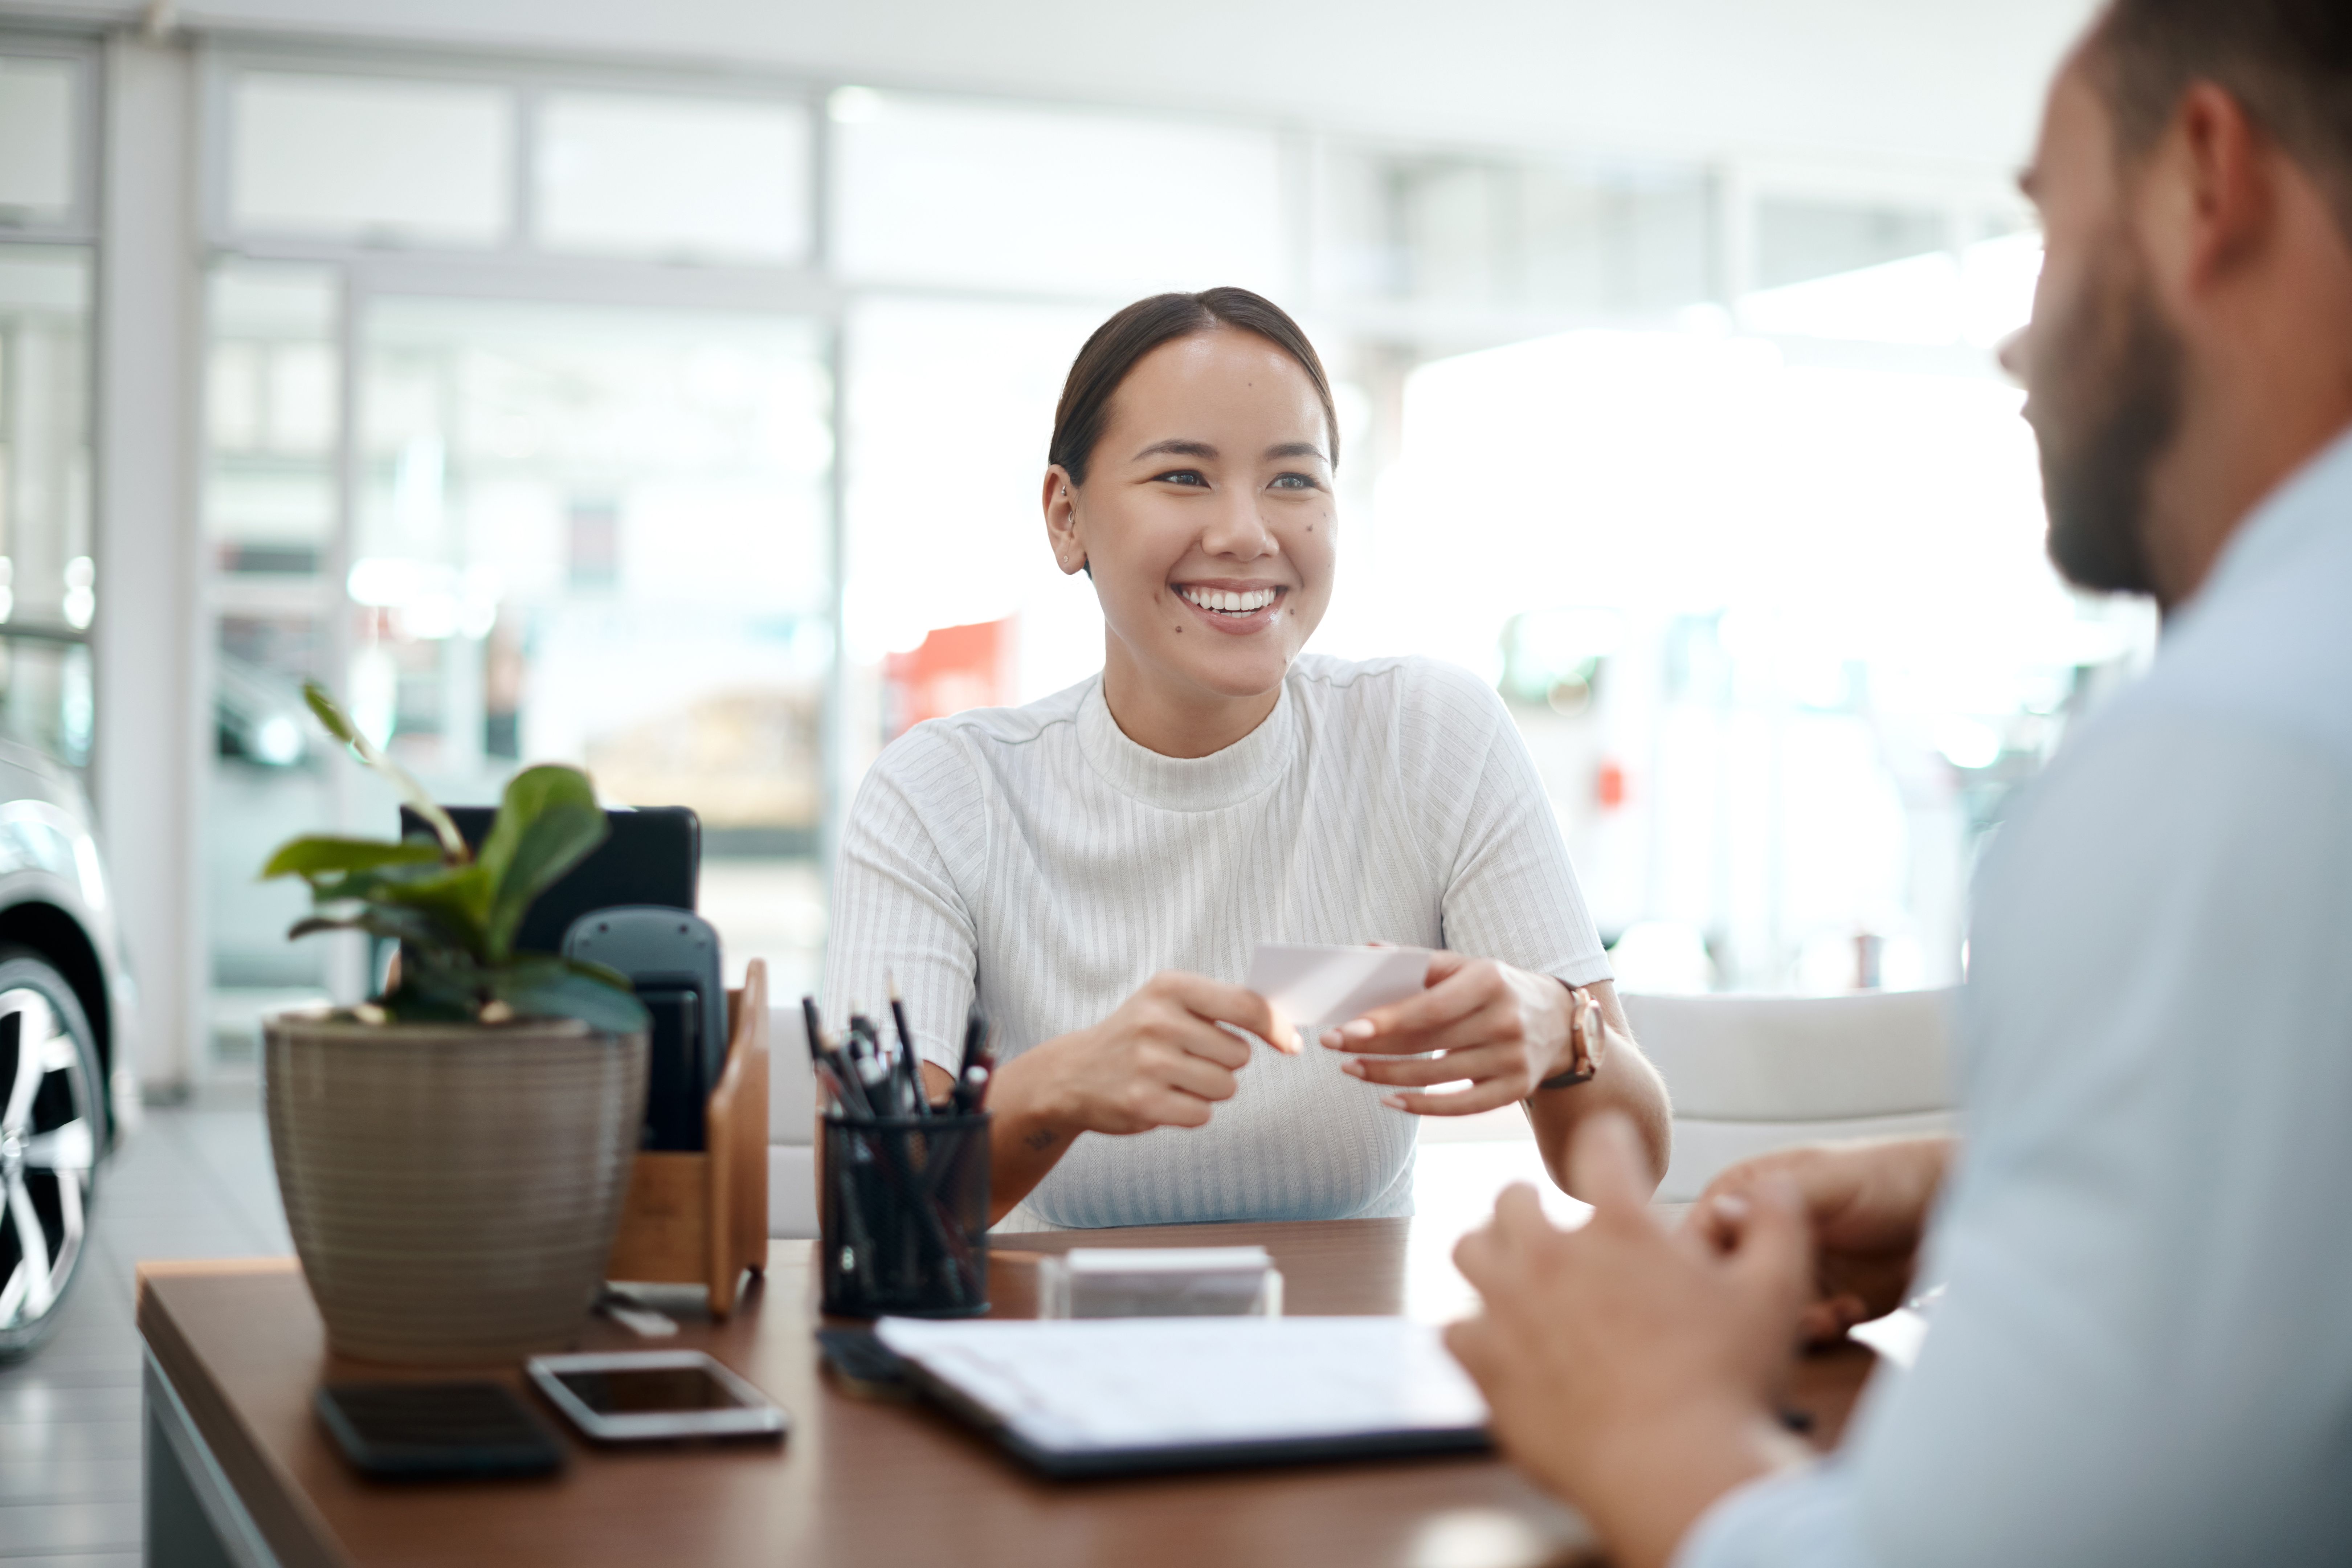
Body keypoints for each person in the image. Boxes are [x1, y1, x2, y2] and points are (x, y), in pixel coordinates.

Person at [1442, 1, 2352, 1563]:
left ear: (2207, 180)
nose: (2015, 333)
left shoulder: (2226, 765)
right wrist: (1982, 1188)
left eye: (2048, 227)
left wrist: (1656, 1427)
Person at [825, 287, 1670, 1229]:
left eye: (1293, 480)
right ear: (1067, 517)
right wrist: (1054, 1087)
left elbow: (1625, 1165)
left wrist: (1566, 1034)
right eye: (1184, 477)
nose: (1246, 533)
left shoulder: (1430, 735)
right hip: (1052, 1350)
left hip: (1352, 1353)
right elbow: (873, 1207)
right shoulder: (946, 793)